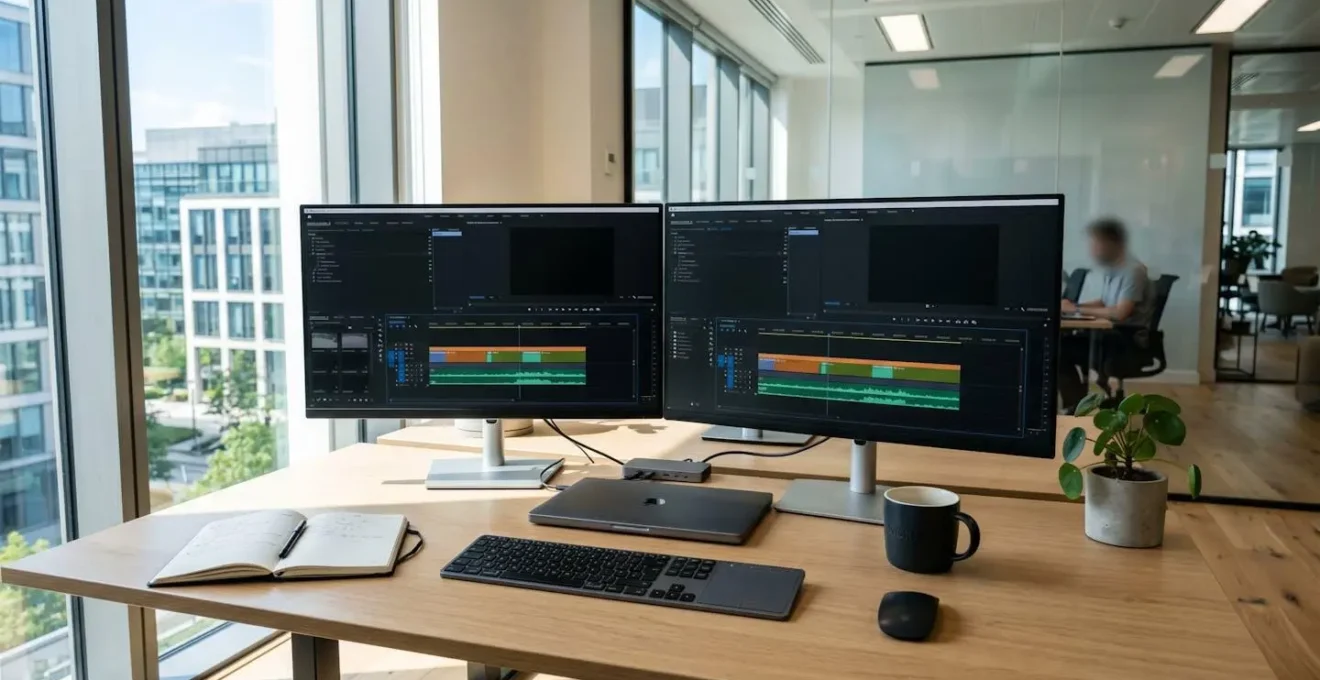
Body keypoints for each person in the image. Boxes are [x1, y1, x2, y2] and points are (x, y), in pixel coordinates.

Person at [1058, 218, 1155, 411]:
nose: (1092, 250)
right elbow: (1105, 303)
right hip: (1111, 337)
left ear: (1112, 243)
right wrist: (1073, 306)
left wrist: (1076, 310)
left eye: (1096, 243)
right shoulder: (1116, 269)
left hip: (1125, 341)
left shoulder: (1132, 271)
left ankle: (1076, 407)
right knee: (1059, 345)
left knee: (1057, 350)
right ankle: (1076, 405)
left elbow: (1120, 312)